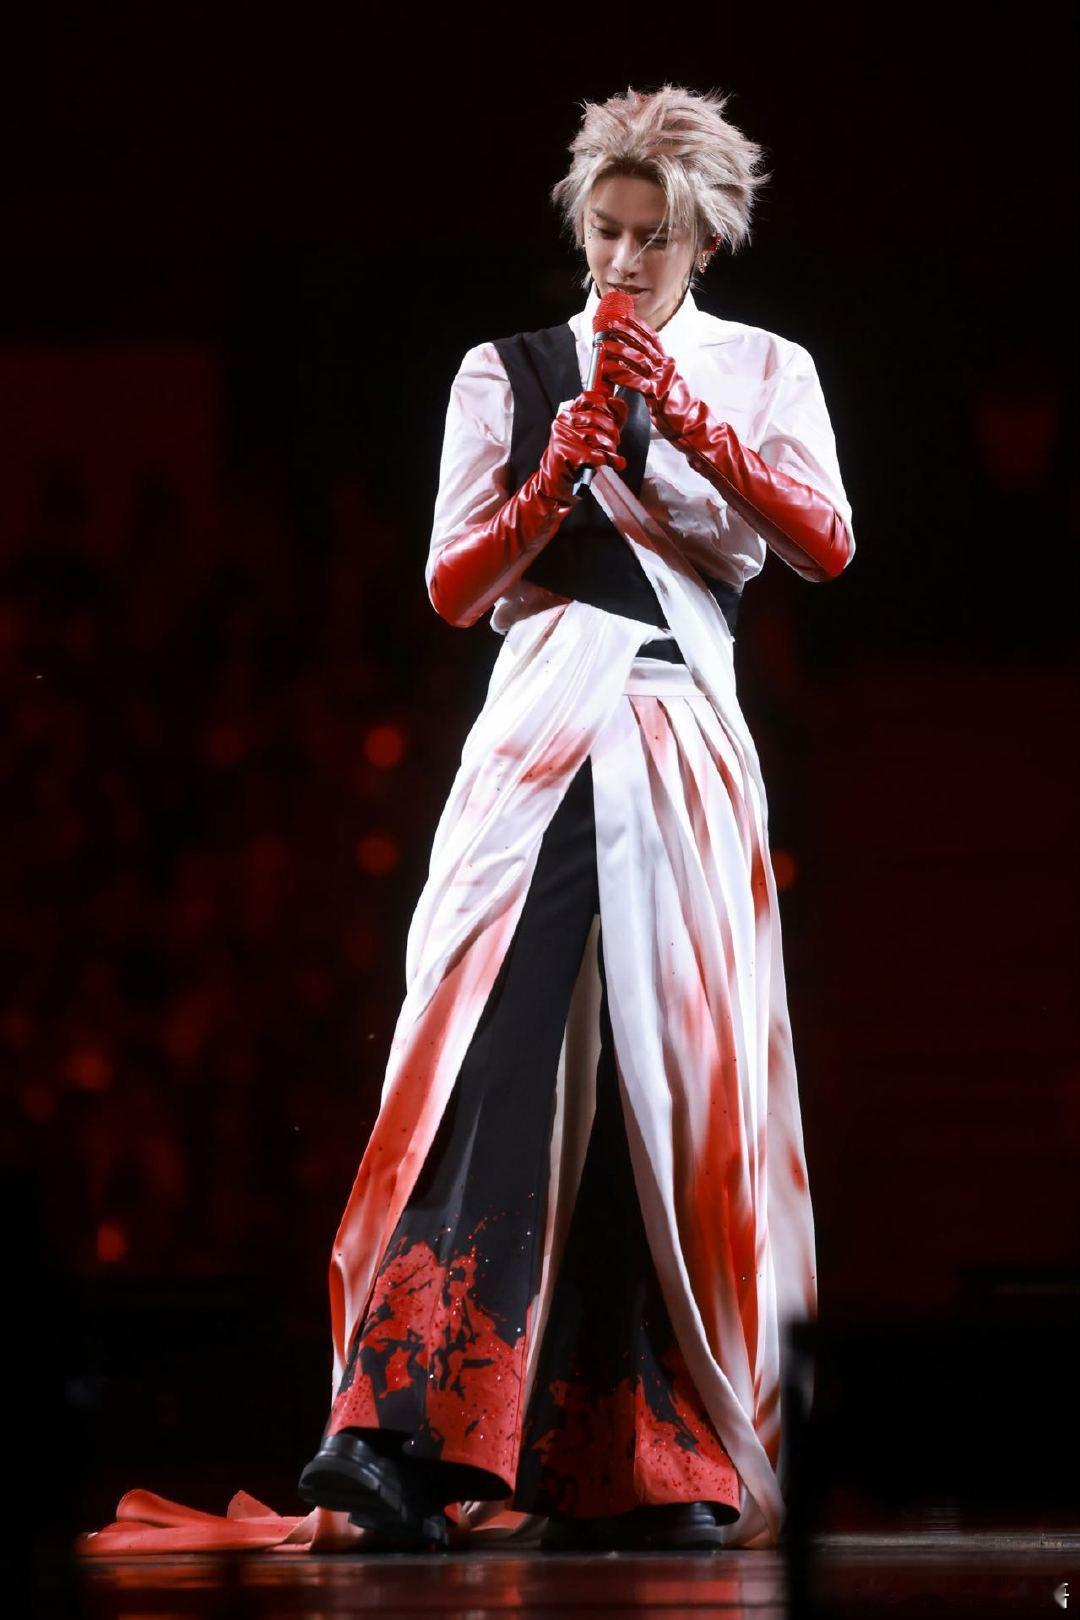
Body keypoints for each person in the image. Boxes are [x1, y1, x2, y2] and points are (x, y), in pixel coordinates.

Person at [294, 82, 856, 1556]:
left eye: (652, 238)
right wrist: (553, 480)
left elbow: (826, 543)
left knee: (672, 1082)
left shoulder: (768, 368)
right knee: (493, 1047)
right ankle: (403, 1437)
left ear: (703, 242)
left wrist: (693, 427)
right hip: (541, 724)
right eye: (605, 231)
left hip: (678, 721)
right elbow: (452, 586)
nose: (622, 260)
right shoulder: (509, 369)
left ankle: (650, 1455)